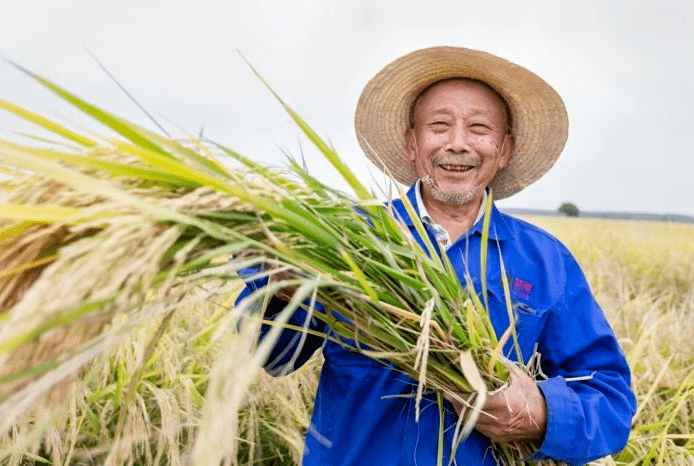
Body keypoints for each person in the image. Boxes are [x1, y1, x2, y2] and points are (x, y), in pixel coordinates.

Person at [236, 46, 636, 465]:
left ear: (504, 150)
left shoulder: (546, 263)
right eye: (439, 126)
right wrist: (278, 290)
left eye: (479, 128)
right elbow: (273, 358)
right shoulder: (348, 238)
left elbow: (610, 399)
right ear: (412, 143)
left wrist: (539, 412)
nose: (458, 144)